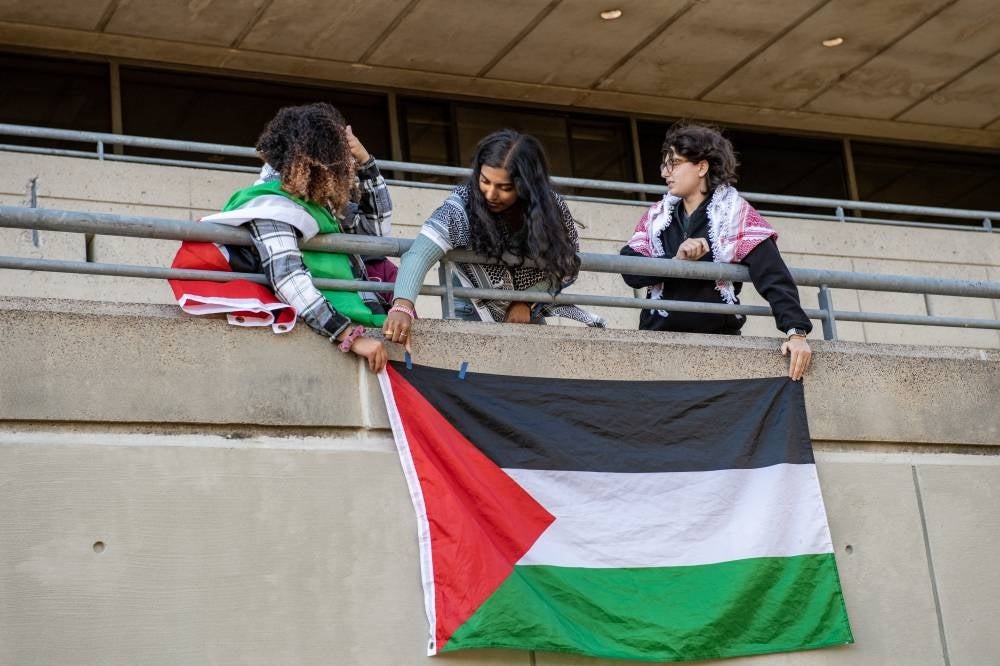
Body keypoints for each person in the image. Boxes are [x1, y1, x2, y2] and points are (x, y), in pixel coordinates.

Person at [168, 102, 390, 372]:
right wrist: (349, 336)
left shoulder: (316, 200)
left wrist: (367, 164)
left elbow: (376, 237)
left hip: (349, 321)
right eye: (337, 160)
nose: (343, 169)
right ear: (316, 161)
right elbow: (288, 278)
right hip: (314, 337)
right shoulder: (271, 204)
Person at [620, 123, 812, 380]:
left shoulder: (735, 214)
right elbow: (629, 269)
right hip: (656, 343)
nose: (666, 172)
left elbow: (772, 274)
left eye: (675, 163)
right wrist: (676, 262)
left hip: (718, 348)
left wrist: (796, 333)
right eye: (665, 164)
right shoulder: (657, 216)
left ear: (701, 167)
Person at [382, 129, 604, 348]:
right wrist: (403, 305)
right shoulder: (462, 204)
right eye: (484, 181)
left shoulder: (551, 209)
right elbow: (420, 253)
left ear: (526, 186)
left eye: (504, 188)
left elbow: (565, 265)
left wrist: (524, 300)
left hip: (530, 306)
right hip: (471, 304)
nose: (490, 194)